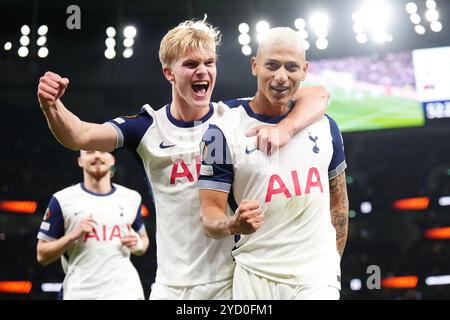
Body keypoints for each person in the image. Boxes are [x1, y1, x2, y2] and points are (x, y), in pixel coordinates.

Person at [36, 19, 330, 299]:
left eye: (209, 63)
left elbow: (317, 94)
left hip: (230, 280)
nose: (202, 71)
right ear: (169, 73)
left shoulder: (232, 118)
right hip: (171, 285)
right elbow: (80, 136)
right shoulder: (147, 127)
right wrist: (51, 106)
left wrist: (285, 128)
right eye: (190, 64)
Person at [197, 27, 349, 300]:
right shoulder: (221, 129)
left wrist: (331, 266)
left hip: (316, 279)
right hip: (254, 276)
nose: (281, 77)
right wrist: (233, 224)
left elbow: (339, 202)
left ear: (304, 70)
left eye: (291, 67)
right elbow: (209, 217)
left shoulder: (326, 127)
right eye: (272, 66)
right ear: (255, 66)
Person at [36, 150, 149, 300]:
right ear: (80, 161)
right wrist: (72, 236)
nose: (97, 156)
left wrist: (138, 245)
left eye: (103, 151)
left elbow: (144, 240)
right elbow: (42, 254)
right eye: (89, 152)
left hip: (126, 293)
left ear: (112, 159)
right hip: (80, 294)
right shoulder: (62, 200)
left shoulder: (131, 198)